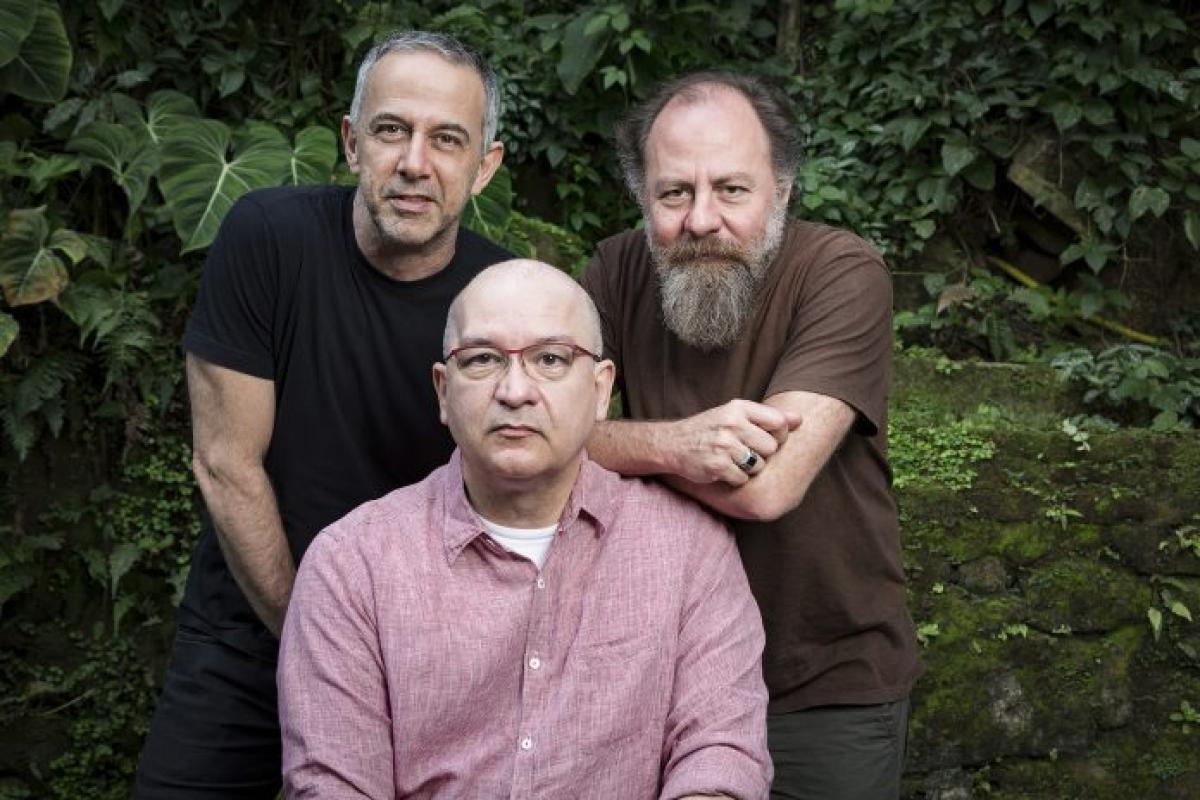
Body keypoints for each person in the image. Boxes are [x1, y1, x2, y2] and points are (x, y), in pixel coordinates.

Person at [136, 31, 510, 798]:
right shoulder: (269, 237)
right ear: (351, 143)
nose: (415, 162)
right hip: (253, 622)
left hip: (426, 654)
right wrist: (319, 649)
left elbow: (526, 479)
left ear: (484, 166)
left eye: (447, 140)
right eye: (391, 129)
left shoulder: (502, 296)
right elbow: (226, 464)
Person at [277, 259, 772, 800]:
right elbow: (334, 783)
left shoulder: (689, 552)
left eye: (550, 359)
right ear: (443, 391)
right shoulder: (352, 565)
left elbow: (720, 755)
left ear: (601, 389)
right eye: (483, 359)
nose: (515, 391)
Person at [581, 71, 922, 799]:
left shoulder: (840, 272)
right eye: (674, 193)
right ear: (643, 197)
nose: (701, 219)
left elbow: (766, 487)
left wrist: (605, 446)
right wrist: (677, 445)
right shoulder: (615, 271)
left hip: (819, 683)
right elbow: (534, 434)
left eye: (731, 189)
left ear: (784, 190)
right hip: (661, 679)